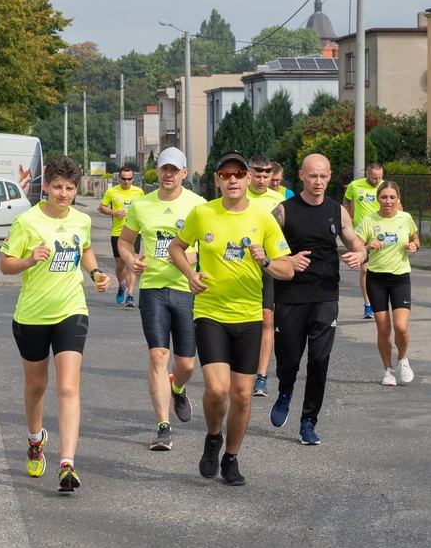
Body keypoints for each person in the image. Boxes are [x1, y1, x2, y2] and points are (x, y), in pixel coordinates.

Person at [168, 151, 293, 486]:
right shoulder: (203, 213)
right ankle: (212, 437)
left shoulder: (264, 218)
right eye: (226, 175)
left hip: (249, 316)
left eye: (239, 174)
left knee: (241, 395)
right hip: (210, 313)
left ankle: (231, 457)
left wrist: (265, 261)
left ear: (249, 179)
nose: (233, 180)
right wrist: (190, 275)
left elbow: (288, 269)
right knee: (217, 389)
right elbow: (176, 248)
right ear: (218, 180)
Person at [0, 155, 114, 493]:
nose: (64, 194)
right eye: (58, 187)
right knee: (36, 386)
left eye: (70, 188)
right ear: (45, 187)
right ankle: (35, 440)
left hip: (71, 309)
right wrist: (28, 259)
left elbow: (87, 249)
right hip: (32, 315)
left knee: (68, 386)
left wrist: (94, 273)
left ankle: (67, 464)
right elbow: (5, 265)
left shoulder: (81, 220)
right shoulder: (27, 222)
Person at [270, 154, 367, 445]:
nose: (318, 182)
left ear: (329, 176)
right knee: (288, 360)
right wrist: (287, 258)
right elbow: (263, 247)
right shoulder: (283, 210)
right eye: (313, 176)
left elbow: (356, 242)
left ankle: (308, 421)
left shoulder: (337, 211)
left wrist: (360, 254)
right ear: (301, 175)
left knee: (320, 360)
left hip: (325, 295)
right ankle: (285, 390)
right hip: (290, 295)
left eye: (323, 176)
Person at [118, 147, 206, 451]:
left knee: (187, 364)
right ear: (157, 171)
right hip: (153, 288)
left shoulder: (198, 205)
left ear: (184, 173)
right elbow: (125, 241)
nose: (168, 175)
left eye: (174, 170)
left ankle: (178, 387)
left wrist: (192, 256)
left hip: (186, 288)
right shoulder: (142, 206)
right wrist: (130, 261)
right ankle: (163, 427)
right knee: (157, 356)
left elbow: (210, 244)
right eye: (163, 169)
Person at [353, 180, 420, 387]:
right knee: (383, 329)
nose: (388, 201)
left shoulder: (405, 218)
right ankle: (388, 370)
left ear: (398, 198)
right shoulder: (368, 220)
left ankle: (402, 359)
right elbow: (356, 245)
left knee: (400, 327)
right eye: (384, 197)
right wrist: (367, 245)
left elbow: (415, 238)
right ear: (377, 199)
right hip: (377, 279)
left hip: (400, 278)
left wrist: (414, 245)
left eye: (392, 197)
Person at [245, 155, 287, 398]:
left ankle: (261, 375)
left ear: (272, 176)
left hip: (268, 266)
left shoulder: (279, 201)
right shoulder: (238, 195)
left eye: (266, 175)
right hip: (239, 266)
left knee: (267, 320)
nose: (261, 180)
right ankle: (241, 369)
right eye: (257, 175)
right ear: (249, 174)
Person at [99, 164, 145, 307]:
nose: (127, 182)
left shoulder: (139, 192)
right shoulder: (111, 192)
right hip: (117, 232)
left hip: (134, 232)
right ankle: (121, 285)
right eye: (124, 179)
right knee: (120, 264)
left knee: (133, 263)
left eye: (129, 179)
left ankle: (130, 295)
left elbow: (145, 209)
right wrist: (114, 213)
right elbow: (101, 207)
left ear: (133, 178)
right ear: (119, 178)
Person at [343, 162, 384, 319]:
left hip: (381, 232)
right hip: (361, 234)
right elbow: (346, 201)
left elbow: (397, 205)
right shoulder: (355, 185)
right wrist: (347, 219)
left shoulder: (384, 187)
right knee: (365, 269)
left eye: (380, 177)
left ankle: (381, 302)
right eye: (374, 178)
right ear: (367, 174)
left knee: (381, 269)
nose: (377, 180)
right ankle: (368, 305)